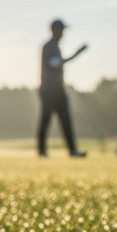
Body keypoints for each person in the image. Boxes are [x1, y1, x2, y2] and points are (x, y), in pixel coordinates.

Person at [38, 19, 88, 158]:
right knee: (45, 120)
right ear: (55, 30)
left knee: (66, 120)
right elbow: (55, 63)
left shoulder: (56, 46)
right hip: (49, 90)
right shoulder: (48, 46)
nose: (63, 33)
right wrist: (76, 54)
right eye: (62, 30)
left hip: (58, 89)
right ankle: (42, 150)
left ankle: (72, 150)